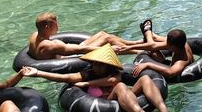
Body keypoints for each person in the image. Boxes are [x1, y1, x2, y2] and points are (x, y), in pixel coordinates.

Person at [22, 44, 168, 112]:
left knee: (145, 80)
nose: (97, 67)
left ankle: (163, 110)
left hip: (121, 97)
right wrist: (38, 73)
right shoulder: (87, 72)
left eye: (101, 65)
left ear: (107, 65)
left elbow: (113, 81)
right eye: (95, 64)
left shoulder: (114, 73)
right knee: (121, 87)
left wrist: (87, 83)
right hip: (106, 103)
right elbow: (65, 77)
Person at [28, 12, 145, 60]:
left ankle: (135, 43)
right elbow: (81, 49)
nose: (58, 25)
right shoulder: (49, 45)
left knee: (102, 34)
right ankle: (139, 51)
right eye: (55, 23)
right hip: (69, 59)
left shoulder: (34, 36)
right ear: (47, 27)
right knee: (107, 39)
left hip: (67, 51)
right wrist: (107, 49)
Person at [115, 24, 195, 79]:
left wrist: (148, 64)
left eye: (167, 42)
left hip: (175, 72)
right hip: (169, 64)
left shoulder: (182, 61)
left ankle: (148, 33)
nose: (165, 42)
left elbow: (170, 72)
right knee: (153, 48)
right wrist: (129, 47)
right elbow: (153, 45)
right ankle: (148, 32)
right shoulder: (181, 44)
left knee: (152, 46)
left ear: (172, 46)